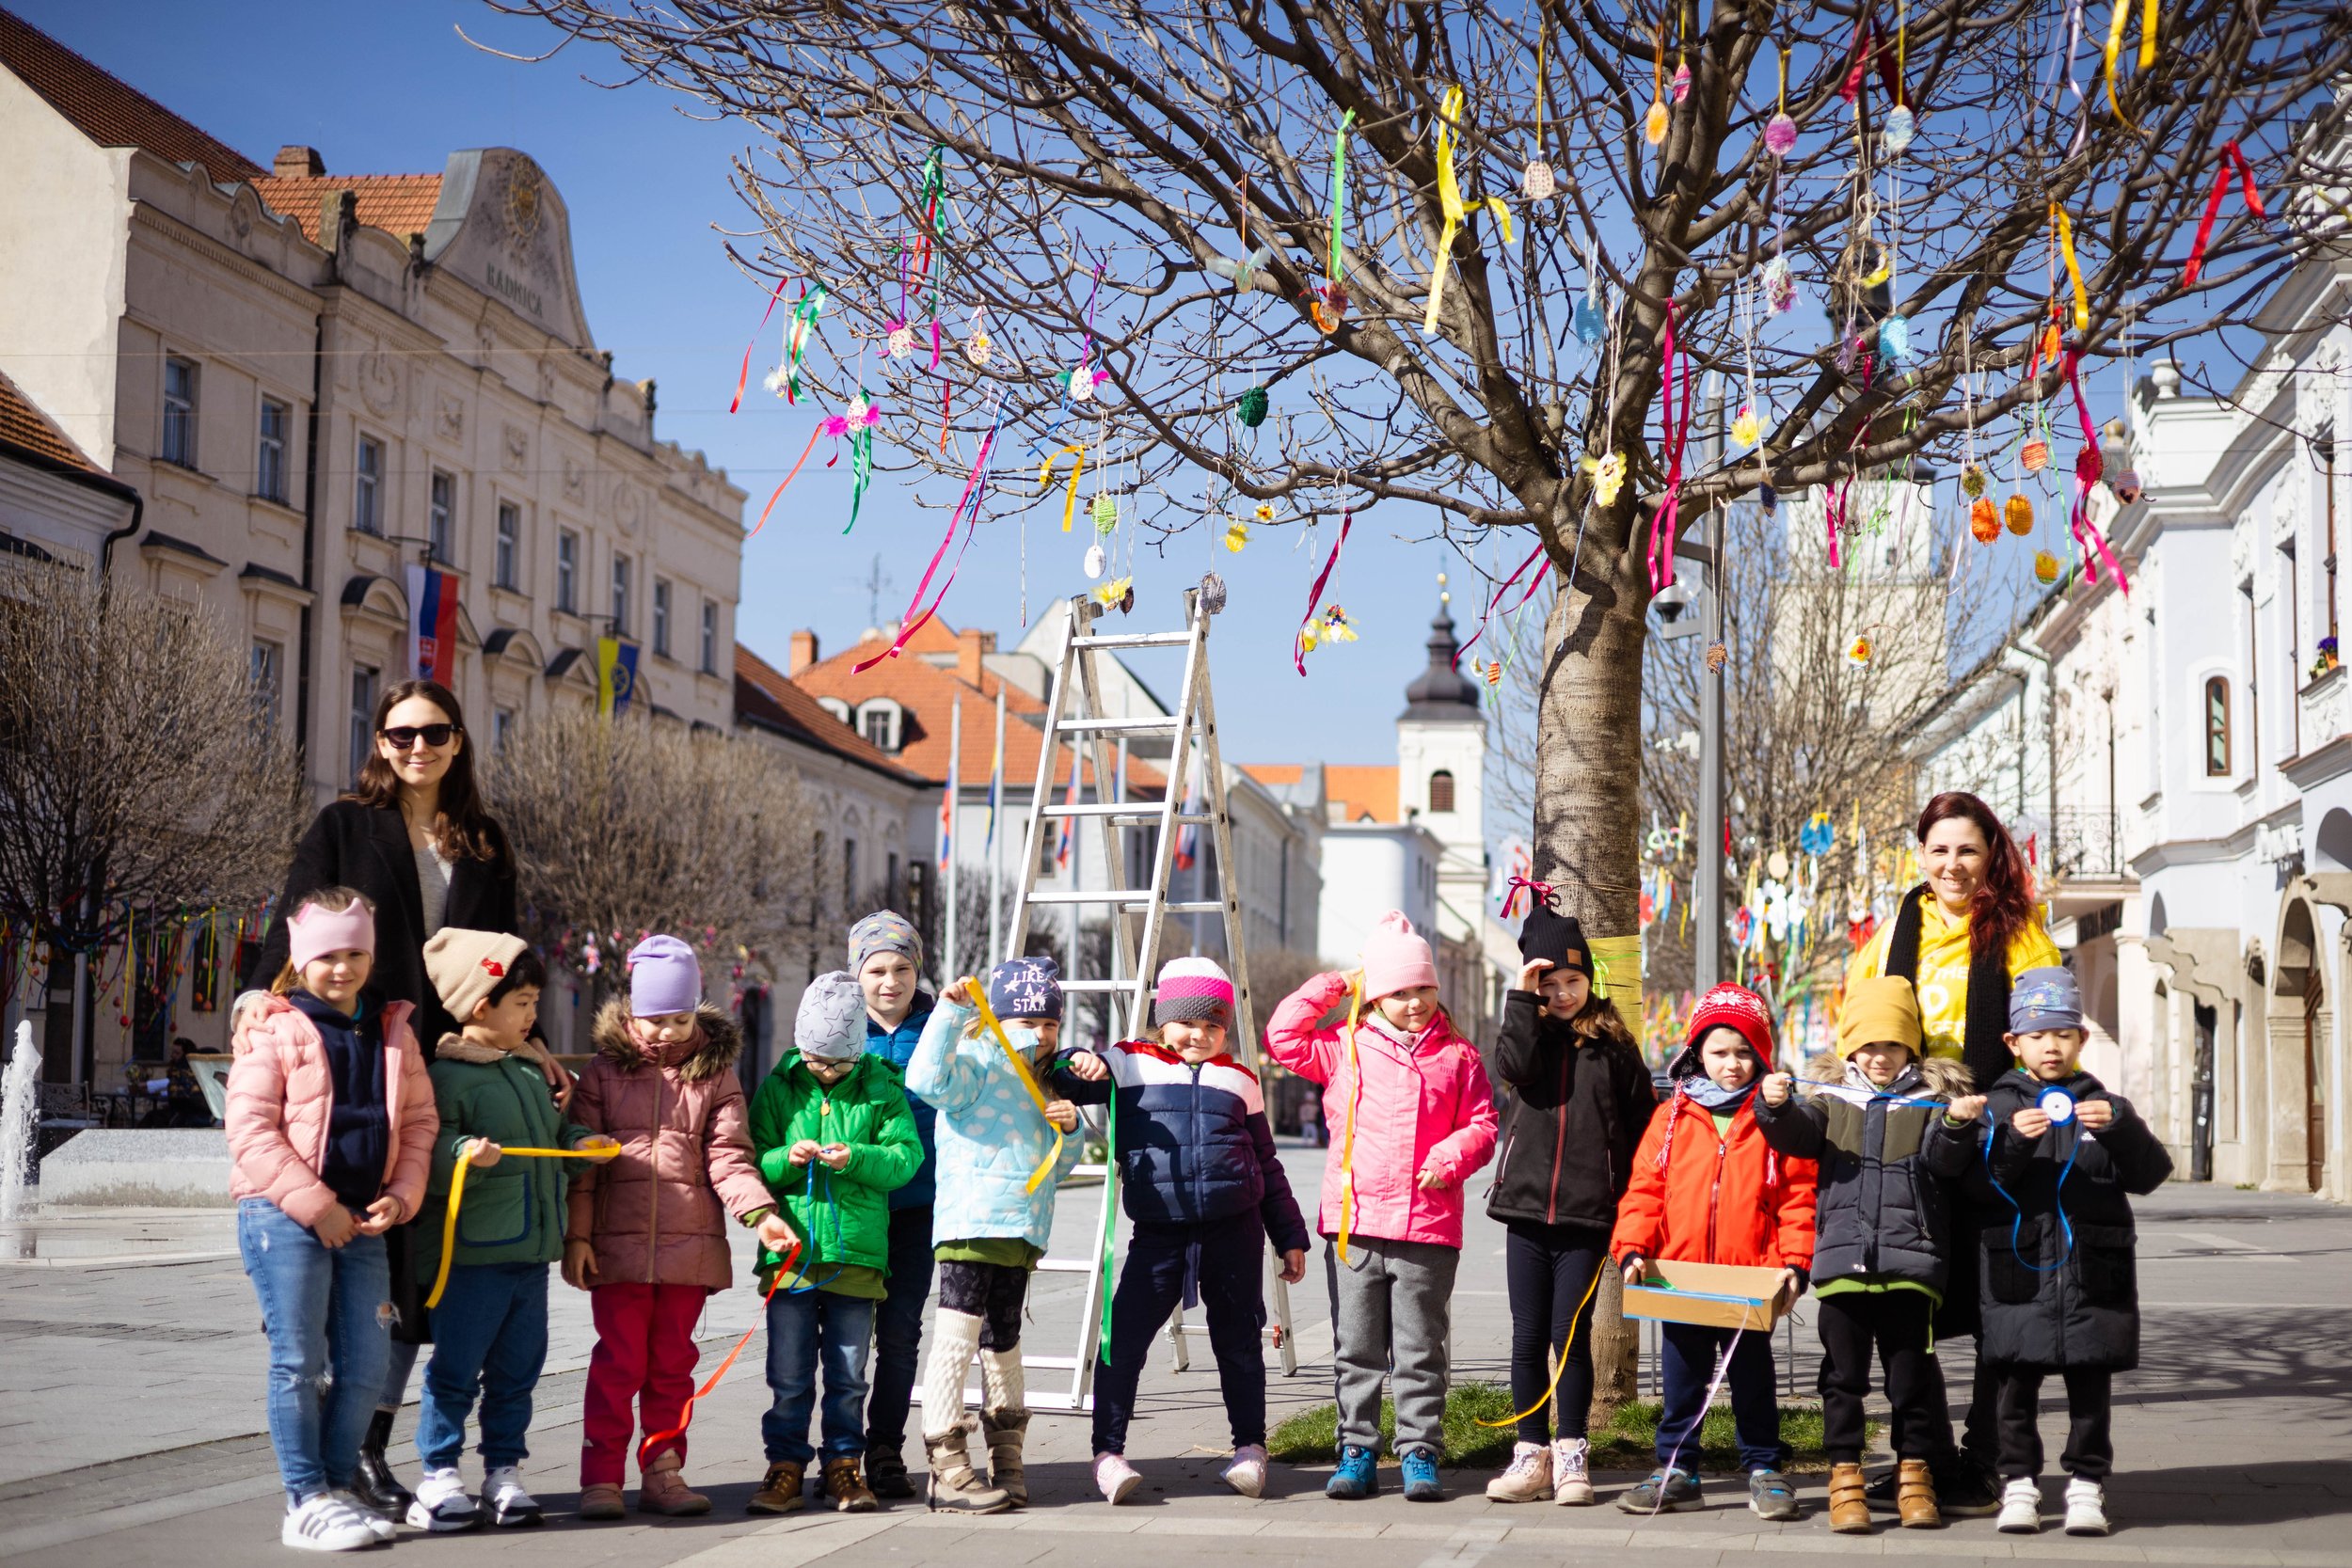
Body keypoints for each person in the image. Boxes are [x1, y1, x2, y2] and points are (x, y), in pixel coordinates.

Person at [237, 678, 543, 1521]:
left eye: (435, 732)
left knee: (435, 1265)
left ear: (457, 741)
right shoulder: (345, 823)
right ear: (379, 741)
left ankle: (394, 1447)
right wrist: (259, 991)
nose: (418, 747)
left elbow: (506, 952)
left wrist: (526, 1032)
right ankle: (357, 1453)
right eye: (401, 733)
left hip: (459, 1056)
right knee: (389, 1259)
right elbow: (297, 910)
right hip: (370, 1046)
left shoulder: (482, 839)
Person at [1845, 790, 2061, 1516]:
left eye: (1967, 849)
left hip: (2000, 1137)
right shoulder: (1894, 929)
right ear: (1922, 855)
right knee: (1909, 1305)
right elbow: (1863, 1016)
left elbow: (2047, 1033)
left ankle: (1987, 1457)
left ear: (1990, 853)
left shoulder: (2021, 932)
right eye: (1939, 849)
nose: (1952, 864)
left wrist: (2007, 1106)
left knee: (1998, 1305)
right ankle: (1925, 1456)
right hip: (1914, 1137)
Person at [1924, 968, 2172, 1538]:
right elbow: (1975, 1189)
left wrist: (2122, 1130)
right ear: (2014, 1044)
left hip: (2094, 1273)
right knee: (2013, 1392)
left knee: (2091, 1392)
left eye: (2063, 1033)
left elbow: (2151, 1175)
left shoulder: (2105, 1106)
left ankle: (2087, 1485)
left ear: (2082, 1041)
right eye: (2037, 1035)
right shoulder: (1995, 1106)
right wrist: (2009, 1142)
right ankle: (2018, 1485)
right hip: (2018, 1273)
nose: (2051, 1045)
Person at [227, 888, 437, 1552]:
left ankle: (337, 1485)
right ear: (300, 957)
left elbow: (421, 1122)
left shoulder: (393, 1029)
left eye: (354, 953)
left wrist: (402, 1194)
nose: (342, 967)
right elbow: (250, 1129)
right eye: (326, 955)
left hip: (365, 1223)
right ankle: (305, 1497)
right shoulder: (276, 1025)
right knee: (299, 1359)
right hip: (283, 1215)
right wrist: (316, 1206)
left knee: (367, 1362)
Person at [1056, 957, 1311, 1503]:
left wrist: (1289, 1235)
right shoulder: (1129, 1063)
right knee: (1121, 1341)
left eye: (1214, 1024)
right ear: (1162, 1020)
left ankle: (1249, 1449)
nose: (1199, 1033)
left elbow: (1266, 1163)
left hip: (1234, 1232)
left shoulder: (1241, 1078)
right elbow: (1064, 1081)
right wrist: (1075, 1060)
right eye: (1187, 1022)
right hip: (1159, 1232)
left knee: (1239, 1342)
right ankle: (1108, 1453)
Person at [1265, 911, 1499, 1504]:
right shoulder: (1343, 1049)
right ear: (1376, 995)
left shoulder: (1460, 1057)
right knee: (1357, 1348)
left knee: (1421, 1351)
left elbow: (1482, 1124)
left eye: (1423, 988)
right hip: (1355, 1227)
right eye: (1398, 991)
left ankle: (1420, 1451)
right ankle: (1357, 1450)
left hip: (1428, 1226)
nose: (1414, 1001)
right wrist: (1340, 983)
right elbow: (1283, 1035)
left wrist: (1449, 1158)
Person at [564, 936, 793, 1520]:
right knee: (617, 1363)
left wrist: (761, 1214)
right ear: (634, 1013)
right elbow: (582, 1170)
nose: (667, 1031)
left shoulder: (717, 1076)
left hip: (688, 1250)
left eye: (680, 1018)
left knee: (672, 1363)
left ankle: (664, 1468)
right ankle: (601, 1475)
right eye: (655, 1019)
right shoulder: (603, 1073)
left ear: (698, 1010)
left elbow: (729, 1157)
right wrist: (579, 1238)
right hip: (616, 1248)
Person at [409, 930, 614, 1532]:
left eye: (531, 1002)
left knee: (518, 1368)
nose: (532, 1015)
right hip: (470, 1256)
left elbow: (552, 1141)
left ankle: (504, 1470)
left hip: (528, 1255)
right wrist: (462, 1152)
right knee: (455, 1369)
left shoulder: (528, 1072)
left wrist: (582, 1145)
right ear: (480, 1006)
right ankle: (439, 1475)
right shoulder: (447, 1075)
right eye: (521, 1003)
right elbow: (427, 1146)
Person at [1756, 976, 1968, 1533]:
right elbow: (1796, 1137)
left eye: (1893, 1045)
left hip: (1910, 1268)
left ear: (1911, 1049)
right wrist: (1773, 1107)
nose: (1880, 1056)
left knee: (1912, 1379)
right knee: (1842, 1379)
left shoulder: (1930, 1102)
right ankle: (1845, 1477)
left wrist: (1957, 1126)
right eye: (1870, 1045)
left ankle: (1914, 1477)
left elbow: (1945, 1163)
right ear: (1851, 1047)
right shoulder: (1830, 1101)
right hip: (1843, 1266)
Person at [1610, 984, 1818, 1520]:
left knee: (1752, 1379)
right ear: (1697, 1052)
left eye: (1745, 1051)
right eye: (1720, 1051)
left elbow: (1798, 1195)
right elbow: (1645, 1189)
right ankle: (1677, 1466)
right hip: (1680, 1275)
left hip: (1751, 1277)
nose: (1733, 1063)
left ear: (1763, 1055)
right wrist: (1632, 1247)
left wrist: (1795, 1263)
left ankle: (1764, 1467)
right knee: (1681, 1378)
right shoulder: (1672, 1116)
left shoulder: (1776, 1118)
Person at [1482, 904, 1657, 1508]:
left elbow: (1641, 1130)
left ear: (1591, 981)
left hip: (1588, 1217)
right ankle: (1530, 1454)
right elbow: (1513, 1066)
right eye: (1548, 983)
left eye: (1572, 982)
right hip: (1526, 1212)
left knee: (1569, 1336)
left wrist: (1636, 1206)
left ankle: (1572, 1452)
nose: (1561, 994)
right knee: (1527, 1336)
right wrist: (1521, 1000)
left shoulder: (1613, 1044)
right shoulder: (1526, 1031)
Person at [905, 956, 1084, 1513]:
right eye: (1029, 1022)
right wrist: (949, 1015)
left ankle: (1006, 1454)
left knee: (1003, 1340)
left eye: (1051, 1023)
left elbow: (1061, 1164)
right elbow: (925, 1079)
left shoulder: (1047, 1079)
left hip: (1021, 1229)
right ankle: (946, 1461)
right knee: (957, 1337)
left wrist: (1073, 1130)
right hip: (970, 1223)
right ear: (998, 1020)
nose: (1043, 1033)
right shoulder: (978, 1060)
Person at [746, 972, 922, 1515]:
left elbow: (905, 1159)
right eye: (816, 1061)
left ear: (856, 1052)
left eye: (838, 1063)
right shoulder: (780, 1087)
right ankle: (785, 1465)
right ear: (801, 1048)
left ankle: (845, 1465)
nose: (825, 1072)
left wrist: (858, 1158)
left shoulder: (883, 1088)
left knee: (848, 1373)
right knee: (789, 1373)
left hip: (857, 1259)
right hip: (792, 1258)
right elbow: (752, 1160)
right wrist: (785, 1159)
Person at [845, 911, 938, 1500]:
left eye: (901, 968)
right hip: (853, 1206)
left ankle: (884, 1448)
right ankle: (837, 1452)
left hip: (919, 1205)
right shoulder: (836, 1030)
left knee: (901, 1333)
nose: (889, 981)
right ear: (857, 974)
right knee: (845, 1339)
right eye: (876, 969)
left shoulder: (940, 1028)